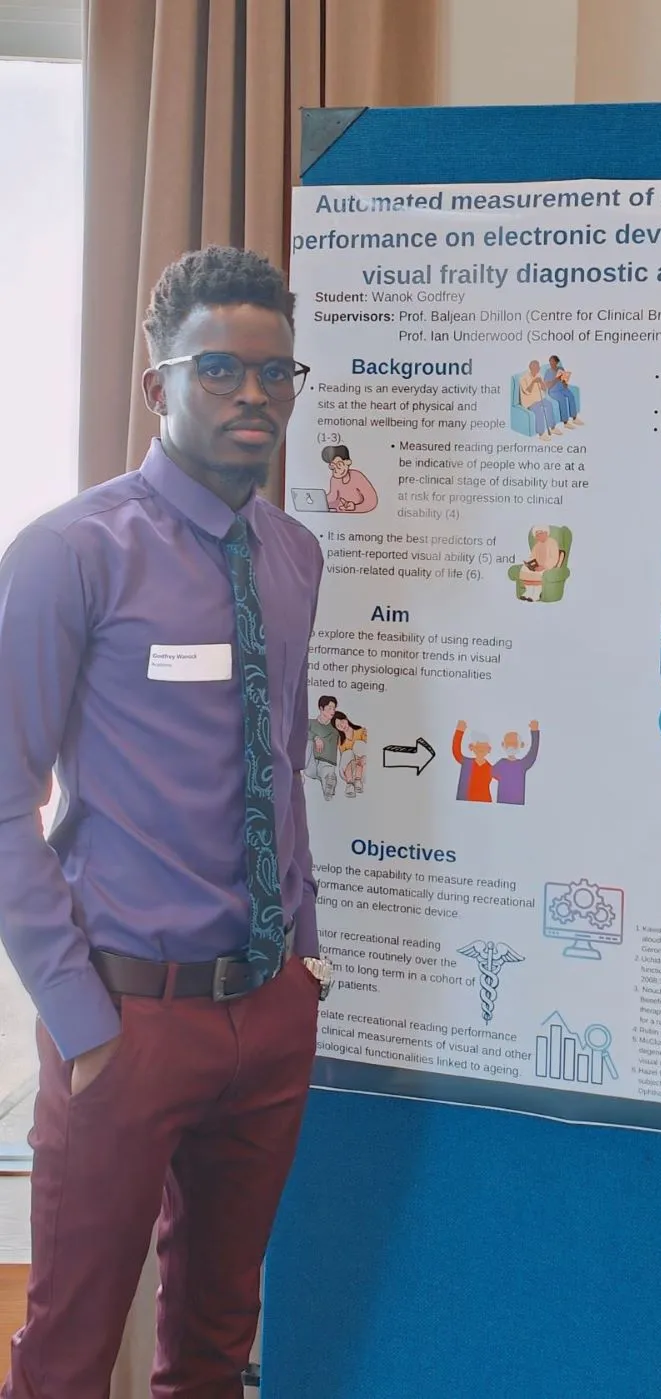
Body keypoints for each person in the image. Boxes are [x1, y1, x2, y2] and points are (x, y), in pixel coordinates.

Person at [0, 246, 331, 1399]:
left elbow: (281, 758)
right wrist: (78, 1017)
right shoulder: (71, 553)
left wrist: (304, 952)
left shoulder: (294, 555)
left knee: (217, 1345)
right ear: (160, 385)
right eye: (221, 369)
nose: (255, 395)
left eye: (276, 372)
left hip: (268, 1012)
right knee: (68, 1353)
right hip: (127, 1018)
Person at [492, 723, 540, 806]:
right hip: (501, 805)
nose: (511, 746)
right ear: (503, 744)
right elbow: (490, 773)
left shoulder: (522, 764)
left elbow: (533, 753)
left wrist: (534, 731)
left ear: (521, 745)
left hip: (518, 805)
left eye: (514, 744)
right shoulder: (501, 763)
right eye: (508, 743)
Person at [322, 444, 378, 513]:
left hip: (359, 517)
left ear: (348, 462)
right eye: (333, 466)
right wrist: (320, 500)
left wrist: (355, 507)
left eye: (339, 465)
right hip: (340, 516)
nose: (336, 470)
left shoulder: (357, 477)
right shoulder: (335, 479)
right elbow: (333, 497)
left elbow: (372, 501)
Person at [517, 526, 565, 602]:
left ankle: (536, 594)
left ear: (546, 533)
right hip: (537, 566)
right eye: (536, 535)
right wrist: (529, 564)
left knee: (539, 573)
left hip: (548, 567)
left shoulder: (552, 542)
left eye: (540, 534)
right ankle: (528, 592)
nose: (538, 536)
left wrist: (544, 566)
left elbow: (553, 558)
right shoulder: (537, 545)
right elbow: (532, 557)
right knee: (524, 569)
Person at [308, 694, 340, 800]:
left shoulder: (335, 729)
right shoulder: (310, 723)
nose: (332, 711)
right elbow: (300, 732)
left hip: (326, 762)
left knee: (327, 772)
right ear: (321, 708)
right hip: (310, 760)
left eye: (334, 708)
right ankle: (327, 781)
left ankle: (328, 786)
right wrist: (315, 738)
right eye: (330, 708)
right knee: (308, 741)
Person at [518, 361, 561, 440]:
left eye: (538, 368)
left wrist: (541, 382)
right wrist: (533, 382)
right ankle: (541, 434)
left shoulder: (539, 375)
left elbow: (544, 389)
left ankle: (552, 428)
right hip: (530, 402)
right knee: (539, 411)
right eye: (535, 368)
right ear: (530, 368)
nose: (537, 369)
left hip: (539, 399)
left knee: (549, 405)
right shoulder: (523, 378)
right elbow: (528, 391)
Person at [452, 721, 494, 802]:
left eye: (484, 747)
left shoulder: (491, 768)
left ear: (489, 749)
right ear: (471, 747)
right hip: (464, 802)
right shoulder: (467, 763)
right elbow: (456, 752)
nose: (481, 749)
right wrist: (459, 731)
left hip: (484, 803)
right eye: (478, 746)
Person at [543, 355, 582, 429]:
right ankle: (565, 422)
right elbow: (547, 386)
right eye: (550, 361)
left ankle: (574, 418)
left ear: (557, 362)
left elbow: (564, 381)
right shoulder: (548, 372)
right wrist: (556, 379)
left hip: (563, 388)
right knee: (563, 400)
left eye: (553, 361)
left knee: (571, 396)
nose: (551, 363)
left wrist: (565, 383)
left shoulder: (561, 369)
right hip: (553, 391)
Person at [334, 711, 367, 797]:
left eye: (342, 722)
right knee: (348, 753)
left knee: (358, 744)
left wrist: (363, 758)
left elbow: (367, 749)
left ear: (346, 719)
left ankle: (358, 780)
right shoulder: (341, 741)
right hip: (348, 771)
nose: (342, 726)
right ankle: (350, 784)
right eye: (338, 726)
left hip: (363, 766)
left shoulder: (361, 731)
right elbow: (344, 760)